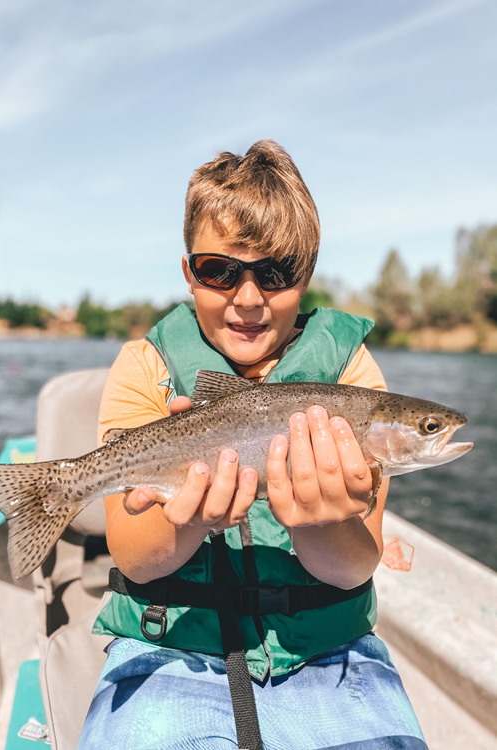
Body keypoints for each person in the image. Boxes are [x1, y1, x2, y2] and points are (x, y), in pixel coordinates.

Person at [79, 140, 426, 749]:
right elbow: (134, 557)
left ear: (305, 275)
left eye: (275, 273)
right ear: (190, 271)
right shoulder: (145, 367)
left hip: (328, 654)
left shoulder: (353, 375)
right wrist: (189, 524)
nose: (247, 298)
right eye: (219, 270)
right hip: (170, 651)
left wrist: (314, 522)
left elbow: (354, 566)